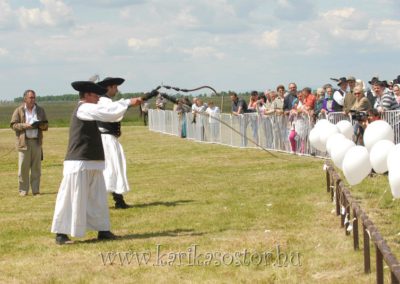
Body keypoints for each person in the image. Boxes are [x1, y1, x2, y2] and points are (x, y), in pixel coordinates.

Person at [51, 81, 142, 245]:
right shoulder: (84, 107)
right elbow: (108, 112)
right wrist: (128, 102)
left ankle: (103, 230)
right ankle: (61, 233)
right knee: (71, 197)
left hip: (93, 160)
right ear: (86, 95)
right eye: (95, 95)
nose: (98, 98)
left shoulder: (89, 108)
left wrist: (128, 103)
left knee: (97, 198)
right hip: (79, 161)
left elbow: (108, 112)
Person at [96, 77, 131, 209]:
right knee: (110, 169)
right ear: (109, 88)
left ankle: (118, 199)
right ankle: (113, 200)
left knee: (115, 168)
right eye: (115, 87)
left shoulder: (107, 101)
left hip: (110, 138)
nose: (117, 90)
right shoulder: (103, 101)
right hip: (105, 140)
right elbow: (115, 111)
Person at [10, 90, 48, 196]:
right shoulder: (19, 110)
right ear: (25, 99)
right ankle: (23, 191)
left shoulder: (40, 110)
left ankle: (36, 191)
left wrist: (41, 125)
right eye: (30, 97)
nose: (33, 99)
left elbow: (46, 125)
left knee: (36, 168)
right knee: (23, 169)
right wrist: (25, 125)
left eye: (34, 97)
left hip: (37, 142)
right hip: (24, 143)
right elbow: (13, 125)